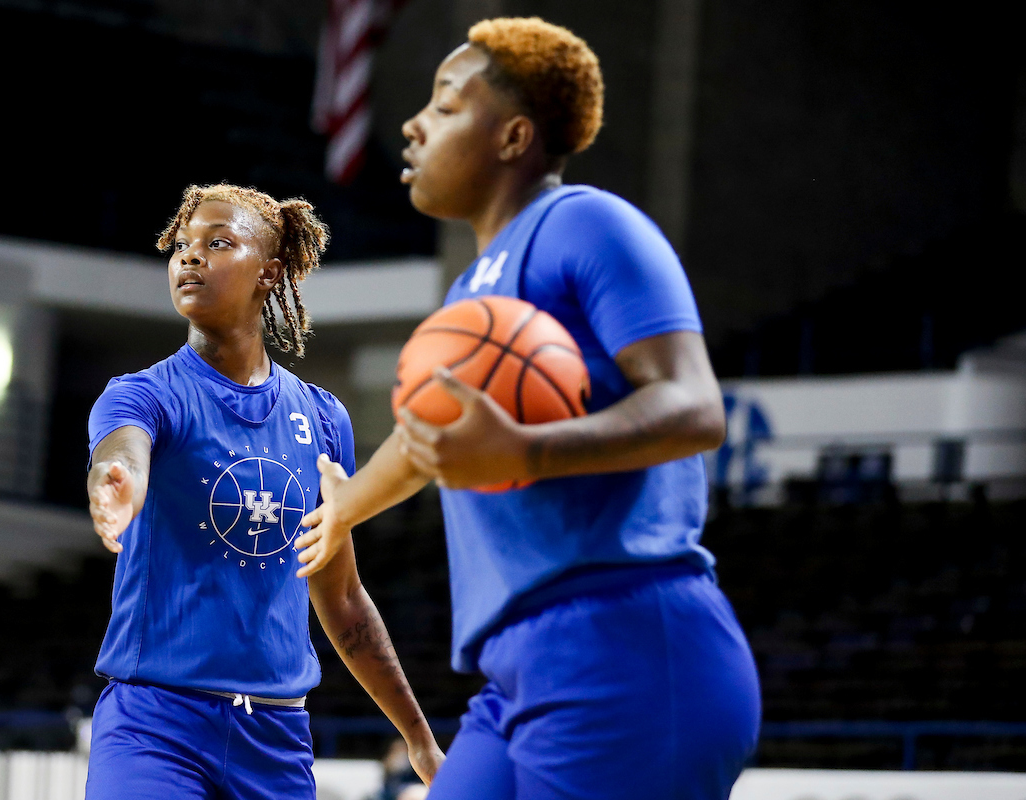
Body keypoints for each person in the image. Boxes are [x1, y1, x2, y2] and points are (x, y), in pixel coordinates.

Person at [294, 17, 761, 800]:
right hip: (516, 671)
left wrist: (529, 453)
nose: (412, 123)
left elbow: (693, 404)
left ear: (513, 137)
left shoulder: (586, 222)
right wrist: (344, 508)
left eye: (444, 106)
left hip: (626, 645)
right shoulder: (470, 291)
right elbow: (421, 447)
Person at [84, 183, 445, 800]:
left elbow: (343, 595)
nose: (189, 258)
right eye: (181, 247)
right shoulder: (142, 393)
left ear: (269, 273)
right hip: (154, 725)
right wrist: (117, 476)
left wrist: (417, 736)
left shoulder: (325, 419)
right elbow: (123, 447)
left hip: (276, 735)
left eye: (218, 244)